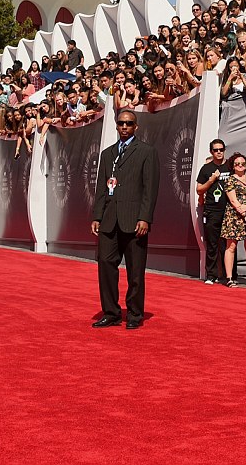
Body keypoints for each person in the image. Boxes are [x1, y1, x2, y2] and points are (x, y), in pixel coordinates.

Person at [90, 111, 160, 330]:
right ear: (116, 126)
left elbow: (150, 188)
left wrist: (145, 217)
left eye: (129, 123)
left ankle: (134, 314)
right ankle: (110, 312)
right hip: (109, 220)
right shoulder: (108, 154)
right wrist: (97, 216)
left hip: (134, 221)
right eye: (121, 123)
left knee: (135, 270)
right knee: (105, 266)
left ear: (136, 127)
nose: (124, 127)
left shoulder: (147, 152)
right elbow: (101, 187)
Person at [221, 153, 246, 288]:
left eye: (243, 163)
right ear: (232, 166)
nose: (240, 166)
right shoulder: (230, 180)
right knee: (231, 247)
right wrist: (245, 215)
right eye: (237, 164)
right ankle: (229, 278)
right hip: (234, 217)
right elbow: (233, 200)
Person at [196, 139, 230, 285]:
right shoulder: (206, 168)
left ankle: (228, 276)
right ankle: (211, 275)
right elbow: (199, 190)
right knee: (212, 244)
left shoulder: (230, 166)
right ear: (211, 152)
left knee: (228, 245)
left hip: (229, 210)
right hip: (212, 211)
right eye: (216, 150)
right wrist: (211, 180)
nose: (219, 152)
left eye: (221, 149)